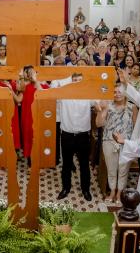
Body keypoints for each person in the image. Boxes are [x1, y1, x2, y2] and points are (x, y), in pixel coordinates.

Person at [96, 83, 137, 204]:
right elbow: (99, 124)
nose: (117, 94)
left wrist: (134, 145)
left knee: (123, 169)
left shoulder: (132, 107)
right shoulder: (108, 106)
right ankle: (112, 191)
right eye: (114, 92)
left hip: (126, 142)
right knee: (112, 169)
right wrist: (102, 110)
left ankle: (120, 193)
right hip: (109, 140)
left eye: (120, 91)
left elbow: (136, 126)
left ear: (125, 93)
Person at [57, 73, 95, 201]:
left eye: (79, 80)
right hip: (67, 135)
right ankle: (66, 188)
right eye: (75, 80)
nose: (77, 82)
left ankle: (86, 189)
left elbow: (101, 99)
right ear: (70, 81)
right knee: (66, 164)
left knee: (84, 164)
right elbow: (48, 93)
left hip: (83, 136)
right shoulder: (63, 94)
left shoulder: (88, 95)